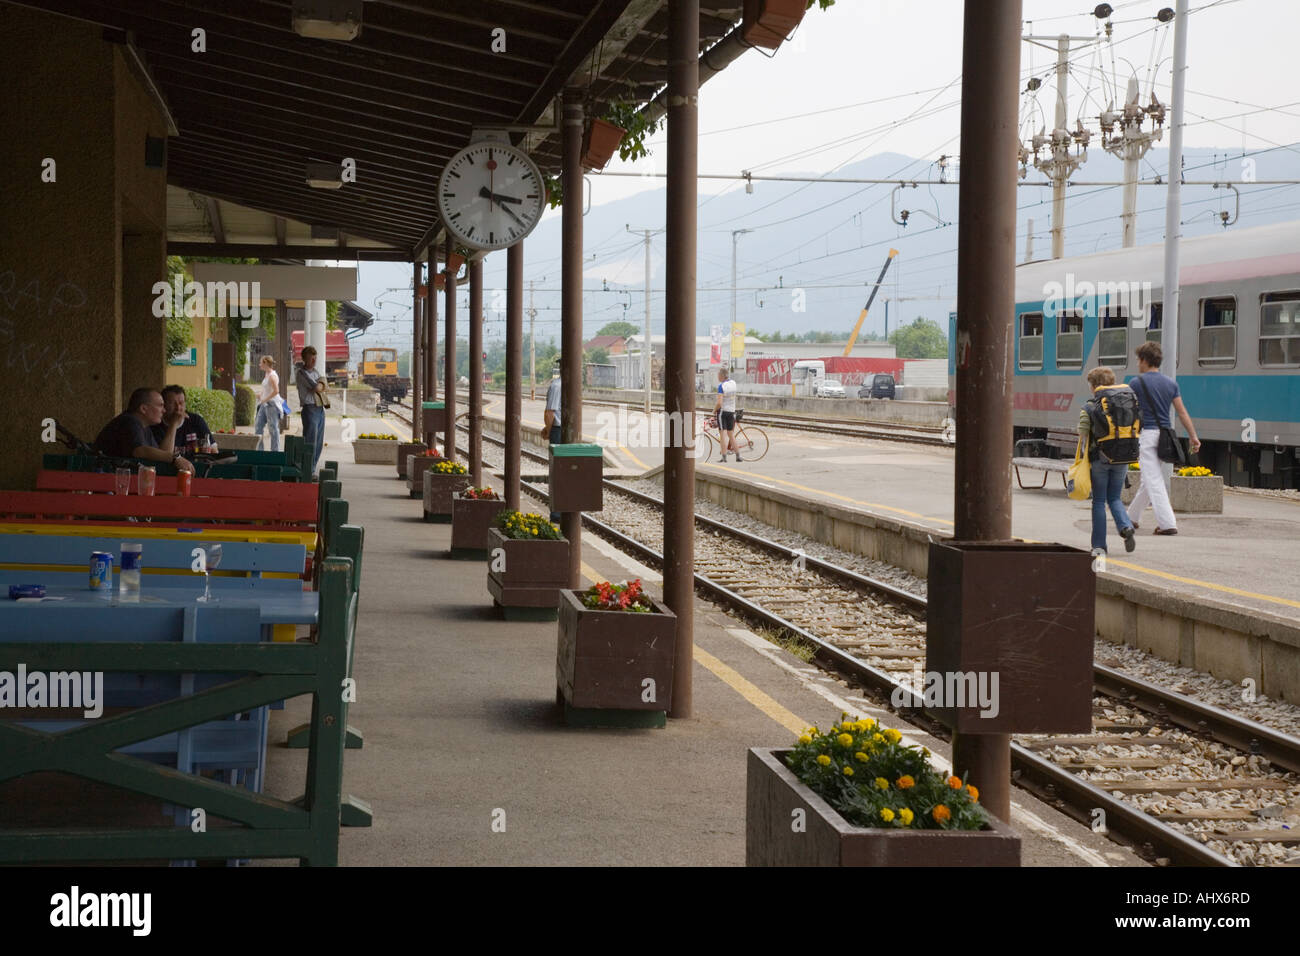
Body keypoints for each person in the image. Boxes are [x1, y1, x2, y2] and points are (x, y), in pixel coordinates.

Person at [1126, 341, 1201, 535]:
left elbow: (1128, 412)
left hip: (1148, 436)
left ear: (1144, 360)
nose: (1137, 363)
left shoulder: (1136, 383)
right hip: (1165, 436)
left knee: (1153, 480)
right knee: (1148, 480)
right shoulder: (1170, 383)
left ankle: (1168, 523)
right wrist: (1193, 436)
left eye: (1138, 360)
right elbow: (1182, 413)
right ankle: (1131, 517)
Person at [1079, 367, 1137, 557]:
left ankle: (1099, 546)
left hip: (1100, 460)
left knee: (1099, 501)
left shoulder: (1090, 406)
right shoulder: (1126, 402)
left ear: (1094, 386)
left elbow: (1083, 437)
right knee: (1115, 498)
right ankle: (1126, 526)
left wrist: (1081, 461)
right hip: (1123, 457)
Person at [93, 387, 195, 474]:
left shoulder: (144, 427)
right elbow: (139, 451)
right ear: (143, 409)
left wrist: (173, 424)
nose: (164, 410)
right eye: (160, 405)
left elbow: (163, 454)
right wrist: (176, 458)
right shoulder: (129, 421)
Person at [154, 385, 215, 458]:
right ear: (164, 405)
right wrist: (174, 424)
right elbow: (163, 456)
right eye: (172, 403)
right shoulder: (156, 423)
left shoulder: (195, 420)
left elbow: (214, 450)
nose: (178, 408)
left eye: (181, 403)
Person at [295, 346, 328, 477]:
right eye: (311, 357)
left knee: (319, 441)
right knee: (311, 440)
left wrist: (322, 384)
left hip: (319, 408)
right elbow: (317, 387)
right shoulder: (302, 373)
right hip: (310, 408)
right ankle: (308, 469)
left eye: (315, 357)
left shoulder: (315, 372)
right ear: (305, 358)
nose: (314, 360)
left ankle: (312, 467)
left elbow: (323, 384)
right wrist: (321, 383)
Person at [541, 356, 563, 523]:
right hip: (559, 430)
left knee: (560, 471)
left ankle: (559, 513)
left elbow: (550, 412)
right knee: (561, 473)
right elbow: (551, 413)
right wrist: (549, 430)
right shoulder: (560, 386)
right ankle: (558, 514)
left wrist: (547, 430)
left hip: (559, 430)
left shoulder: (558, 385)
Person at [254, 355, 282, 452]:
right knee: (258, 426)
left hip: (271, 405)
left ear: (265, 363)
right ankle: (260, 451)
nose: (259, 364)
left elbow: (276, 391)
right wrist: (260, 395)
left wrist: (265, 399)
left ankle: (275, 452)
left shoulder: (272, 376)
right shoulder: (266, 374)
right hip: (264, 404)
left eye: (261, 362)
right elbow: (266, 389)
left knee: (273, 429)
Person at [713, 367, 741, 462]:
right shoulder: (733, 383)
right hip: (731, 412)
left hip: (723, 412)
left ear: (721, 375)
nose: (717, 376)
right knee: (731, 434)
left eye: (718, 375)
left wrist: (713, 411)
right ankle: (738, 456)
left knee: (722, 435)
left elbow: (719, 403)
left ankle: (724, 457)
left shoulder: (721, 386)